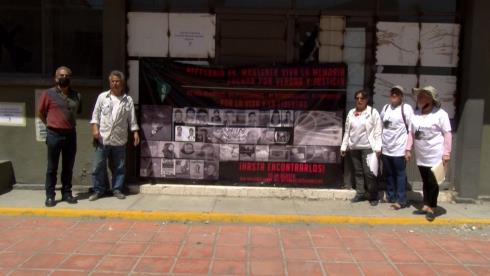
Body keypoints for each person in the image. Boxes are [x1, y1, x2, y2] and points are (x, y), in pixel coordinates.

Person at [89, 70, 140, 201]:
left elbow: (132, 119)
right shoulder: (102, 97)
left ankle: (116, 189)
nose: (115, 84)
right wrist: (95, 129)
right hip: (103, 137)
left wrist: (135, 132)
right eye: (112, 81)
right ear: (109, 82)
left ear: (122, 83)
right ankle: (99, 190)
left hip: (119, 139)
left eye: (117, 81)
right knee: (97, 166)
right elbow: (95, 116)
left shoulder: (127, 100)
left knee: (119, 167)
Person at [405, 86, 451, 221]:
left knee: (434, 182)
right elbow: (411, 134)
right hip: (422, 154)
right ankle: (425, 205)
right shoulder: (416, 114)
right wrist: (408, 149)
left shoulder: (441, 114)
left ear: (431, 99)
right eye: (419, 95)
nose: (419, 98)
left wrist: (446, 153)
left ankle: (432, 207)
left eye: (423, 95)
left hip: (436, 154)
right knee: (425, 181)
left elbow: (447, 134)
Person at [38, 66, 81, 207]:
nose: (64, 77)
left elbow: (77, 112)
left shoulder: (76, 95)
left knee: (68, 167)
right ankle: (50, 196)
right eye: (61, 75)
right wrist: (50, 124)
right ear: (56, 78)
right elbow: (41, 113)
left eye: (67, 75)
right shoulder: (48, 94)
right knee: (52, 168)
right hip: (54, 134)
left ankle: (67, 193)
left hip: (70, 134)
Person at [341, 90, 382, 206]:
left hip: (368, 147)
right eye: (357, 98)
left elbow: (378, 131)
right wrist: (344, 147)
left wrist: (378, 148)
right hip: (354, 147)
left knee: (369, 173)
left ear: (366, 100)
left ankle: (373, 195)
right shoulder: (351, 113)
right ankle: (360, 193)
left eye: (362, 98)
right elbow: (347, 131)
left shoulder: (373, 112)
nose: (359, 100)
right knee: (358, 172)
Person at [381, 86, 414, 210]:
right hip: (386, 149)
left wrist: (408, 149)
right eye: (393, 93)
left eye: (397, 93)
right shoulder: (385, 108)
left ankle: (401, 200)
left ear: (401, 96)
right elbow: (381, 127)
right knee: (389, 174)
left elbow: (411, 129)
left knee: (400, 175)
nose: (394, 95)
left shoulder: (406, 109)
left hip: (399, 150)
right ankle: (391, 196)